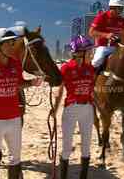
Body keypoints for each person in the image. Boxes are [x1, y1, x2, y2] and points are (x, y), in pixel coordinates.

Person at [0, 28, 42, 179]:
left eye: (13, 42)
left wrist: (32, 82)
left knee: (15, 159)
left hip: (15, 119)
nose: (13, 46)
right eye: (10, 43)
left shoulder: (15, 63)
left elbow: (18, 84)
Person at [51, 35, 95, 179]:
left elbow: (92, 90)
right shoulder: (66, 68)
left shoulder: (91, 68)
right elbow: (59, 91)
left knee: (86, 145)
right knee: (67, 146)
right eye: (89, 52)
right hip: (71, 109)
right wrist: (55, 109)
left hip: (88, 109)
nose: (92, 54)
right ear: (80, 53)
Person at [89, 0, 124, 74]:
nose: (121, 11)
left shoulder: (122, 20)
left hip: (118, 47)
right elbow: (91, 32)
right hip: (103, 47)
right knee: (97, 61)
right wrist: (106, 35)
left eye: (122, 9)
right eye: (120, 8)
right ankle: (91, 79)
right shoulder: (101, 17)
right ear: (112, 7)